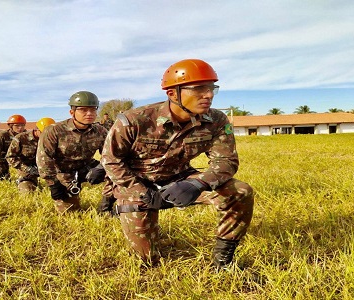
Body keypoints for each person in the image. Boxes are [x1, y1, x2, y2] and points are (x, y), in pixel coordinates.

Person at [101, 59, 254, 270]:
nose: (208, 95)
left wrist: (198, 184)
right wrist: (141, 191)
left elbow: (225, 160)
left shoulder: (216, 120)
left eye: (211, 88)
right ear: (173, 93)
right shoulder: (135, 120)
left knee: (240, 191)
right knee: (146, 261)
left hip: (180, 179)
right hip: (138, 185)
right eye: (199, 89)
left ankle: (223, 260)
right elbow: (111, 160)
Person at [36, 91, 112, 214]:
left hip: (87, 168)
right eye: (83, 110)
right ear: (72, 112)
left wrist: (101, 168)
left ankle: (106, 208)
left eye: (93, 110)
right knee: (70, 212)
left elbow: (111, 155)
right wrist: (53, 184)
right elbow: (44, 159)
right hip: (63, 173)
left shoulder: (100, 130)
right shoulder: (54, 130)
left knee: (117, 173)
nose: (89, 114)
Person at [6, 117, 55, 193]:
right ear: (36, 130)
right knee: (28, 192)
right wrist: (28, 169)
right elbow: (10, 157)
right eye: (44, 133)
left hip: (47, 169)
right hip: (27, 170)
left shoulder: (52, 139)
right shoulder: (21, 138)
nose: (47, 136)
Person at [0, 114, 27, 180]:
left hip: (19, 160)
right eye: (17, 125)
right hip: (3, 160)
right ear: (11, 126)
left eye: (22, 125)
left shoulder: (26, 135)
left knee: (25, 178)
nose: (20, 128)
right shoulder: (1, 136)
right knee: (2, 178)